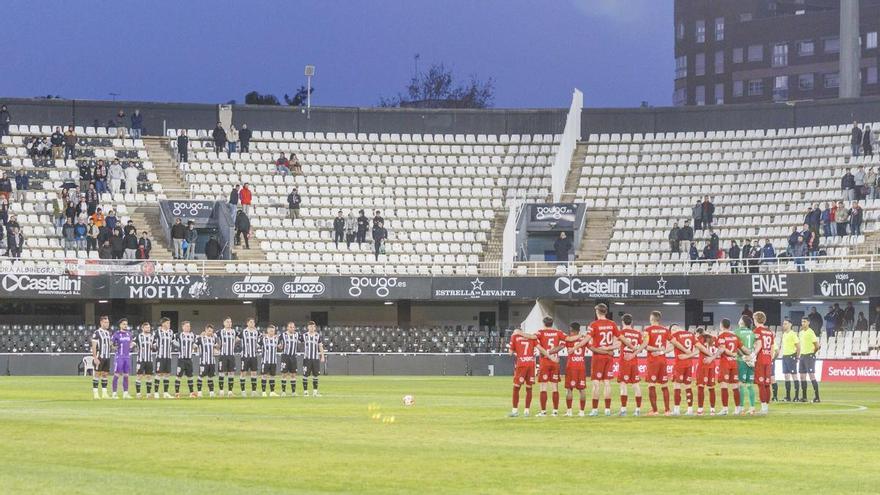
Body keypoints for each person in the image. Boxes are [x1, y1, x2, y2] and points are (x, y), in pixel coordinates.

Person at [587, 304, 624, 417]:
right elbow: (620, 342)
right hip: (609, 357)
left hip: (598, 357)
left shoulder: (594, 324)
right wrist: (609, 349)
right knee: (607, 383)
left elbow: (588, 342)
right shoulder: (612, 324)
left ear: (597, 311)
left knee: (596, 384)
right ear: (606, 312)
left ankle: (595, 410)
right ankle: (607, 410)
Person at [715, 318, 747, 415]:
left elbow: (723, 349)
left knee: (724, 385)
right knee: (735, 386)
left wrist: (732, 354)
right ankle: (737, 409)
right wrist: (750, 355)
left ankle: (725, 409)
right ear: (729, 326)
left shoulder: (721, 336)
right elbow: (742, 349)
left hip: (725, 363)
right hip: (734, 363)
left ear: (721, 325)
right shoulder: (734, 336)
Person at [643, 311, 671, 416]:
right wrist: (662, 351)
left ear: (652, 318)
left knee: (651, 384)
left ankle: (655, 411)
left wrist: (656, 349)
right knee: (664, 385)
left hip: (652, 360)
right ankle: (667, 410)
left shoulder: (647, 330)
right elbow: (673, 344)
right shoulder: (665, 330)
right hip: (662, 360)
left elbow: (646, 346)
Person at [508, 328, 541, 417]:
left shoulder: (514, 337)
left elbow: (510, 353)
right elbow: (538, 348)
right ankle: (526, 411)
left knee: (516, 387)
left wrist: (517, 351)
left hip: (521, 364)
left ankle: (515, 411)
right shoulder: (531, 338)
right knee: (529, 387)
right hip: (531, 364)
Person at [616, 313, 644, 416]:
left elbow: (617, 344)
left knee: (623, 385)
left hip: (624, 361)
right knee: (636, 385)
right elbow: (641, 347)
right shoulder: (637, 333)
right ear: (632, 322)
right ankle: (637, 410)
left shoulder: (621, 332)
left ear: (622, 322)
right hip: (634, 361)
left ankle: (623, 410)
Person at [560, 322, 589, 417]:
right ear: (579, 330)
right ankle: (582, 412)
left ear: (571, 329)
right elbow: (592, 347)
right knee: (582, 389)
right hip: (581, 366)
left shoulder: (569, 339)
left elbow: (560, 346)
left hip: (571, 366)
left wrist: (550, 352)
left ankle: (569, 411)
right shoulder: (584, 339)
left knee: (569, 389)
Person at [669, 324, 697, 416]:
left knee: (677, 386)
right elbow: (698, 350)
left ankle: (676, 410)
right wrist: (689, 355)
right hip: (689, 364)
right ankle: (690, 409)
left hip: (679, 363)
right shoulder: (691, 334)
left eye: (672, 329)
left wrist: (661, 352)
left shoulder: (674, 336)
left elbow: (670, 348)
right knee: (688, 386)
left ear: (674, 330)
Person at [752, 311, 775, 414]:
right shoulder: (769, 331)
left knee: (761, 384)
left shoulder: (757, 330)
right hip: (768, 359)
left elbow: (759, 344)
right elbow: (773, 347)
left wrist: (753, 355)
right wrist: (771, 358)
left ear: (756, 319)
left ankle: (763, 408)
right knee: (767, 384)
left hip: (760, 359)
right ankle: (766, 407)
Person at [734, 315, 757, 415]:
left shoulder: (737, 332)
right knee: (750, 384)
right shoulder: (752, 332)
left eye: (740, 319)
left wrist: (743, 356)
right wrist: (752, 356)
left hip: (741, 360)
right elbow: (754, 345)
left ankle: (741, 408)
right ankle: (752, 408)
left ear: (742, 322)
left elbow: (737, 347)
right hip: (751, 361)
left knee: (740, 384)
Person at [694, 329, 718, 416]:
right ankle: (712, 409)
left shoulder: (699, 338)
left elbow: (698, 349)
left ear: (698, 333)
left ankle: (700, 409)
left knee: (701, 386)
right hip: (712, 364)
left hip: (703, 364)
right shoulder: (713, 338)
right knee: (711, 387)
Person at [798, 318, 821, 403]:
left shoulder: (810, 332)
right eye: (802, 321)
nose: (803, 323)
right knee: (802, 376)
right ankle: (804, 397)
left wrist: (812, 353)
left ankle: (817, 397)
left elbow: (817, 345)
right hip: (802, 356)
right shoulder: (800, 333)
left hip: (809, 356)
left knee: (811, 376)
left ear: (808, 322)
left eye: (804, 322)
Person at [90, 316, 113, 400]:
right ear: (101, 323)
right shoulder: (97, 333)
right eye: (105, 322)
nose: (107, 324)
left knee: (105, 374)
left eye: (108, 322)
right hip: (100, 356)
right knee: (97, 374)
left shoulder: (108, 333)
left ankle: (104, 393)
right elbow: (94, 346)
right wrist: (95, 358)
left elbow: (109, 344)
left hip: (107, 356)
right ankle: (96, 393)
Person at [173, 321, 198, 399]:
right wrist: (178, 346)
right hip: (181, 359)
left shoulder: (192, 335)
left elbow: (195, 344)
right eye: (186, 326)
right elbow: (172, 340)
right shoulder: (178, 335)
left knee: (190, 376)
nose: (188, 327)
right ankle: (177, 393)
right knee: (178, 376)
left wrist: (194, 348)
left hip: (189, 359)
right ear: (182, 327)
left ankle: (191, 393)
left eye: (189, 326)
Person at [300, 321, 326, 397]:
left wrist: (322, 356)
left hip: (315, 359)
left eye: (313, 326)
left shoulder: (318, 336)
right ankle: (305, 392)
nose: (311, 328)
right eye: (310, 326)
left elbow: (320, 346)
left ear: (315, 327)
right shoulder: (304, 336)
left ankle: (315, 392)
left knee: (316, 375)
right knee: (305, 375)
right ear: (308, 327)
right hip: (307, 359)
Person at [110, 318, 133, 400]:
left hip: (127, 357)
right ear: (120, 325)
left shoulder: (129, 334)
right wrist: (114, 347)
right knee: (117, 374)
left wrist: (132, 345)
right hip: (119, 356)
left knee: (126, 375)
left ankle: (125, 393)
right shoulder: (116, 334)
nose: (125, 325)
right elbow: (111, 344)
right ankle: (114, 393)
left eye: (126, 324)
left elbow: (130, 344)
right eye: (124, 324)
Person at [152, 317, 175, 399]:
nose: (169, 325)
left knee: (167, 374)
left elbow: (173, 342)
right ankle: (156, 393)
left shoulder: (171, 332)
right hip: (160, 356)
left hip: (168, 356)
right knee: (159, 374)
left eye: (169, 323)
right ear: (163, 324)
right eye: (168, 323)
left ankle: (165, 393)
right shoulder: (157, 332)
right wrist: (155, 347)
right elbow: (153, 342)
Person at [217, 317, 239, 397]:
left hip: (231, 355)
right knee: (221, 373)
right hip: (223, 355)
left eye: (230, 322)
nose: (229, 323)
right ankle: (221, 391)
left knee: (231, 373)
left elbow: (238, 339)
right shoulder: (220, 332)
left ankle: (230, 392)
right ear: (224, 323)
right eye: (227, 322)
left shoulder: (234, 332)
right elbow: (213, 337)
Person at [239, 318, 261, 398]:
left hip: (253, 356)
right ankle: (243, 391)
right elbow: (236, 339)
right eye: (250, 322)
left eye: (253, 322)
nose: (252, 324)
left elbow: (262, 338)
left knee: (254, 373)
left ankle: (254, 391)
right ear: (247, 323)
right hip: (245, 356)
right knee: (243, 373)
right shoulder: (243, 332)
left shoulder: (256, 332)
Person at [133, 321, 154, 399]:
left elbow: (155, 346)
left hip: (149, 360)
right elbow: (132, 344)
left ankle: (148, 394)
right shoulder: (138, 336)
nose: (148, 329)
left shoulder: (152, 336)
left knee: (149, 377)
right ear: (142, 328)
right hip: (141, 359)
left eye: (149, 327)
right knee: (139, 376)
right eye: (146, 327)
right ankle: (138, 393)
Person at [195, 324, 217, 398]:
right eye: (209, 330)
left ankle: (211, 392)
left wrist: (216, 348)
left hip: (212, 361)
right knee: (201, 376)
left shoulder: (213, 339)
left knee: (210, 377)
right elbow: (194, 345)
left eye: (211, 331)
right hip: (203, 361)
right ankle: (199, 392)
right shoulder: (200, 339)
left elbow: (217, 347)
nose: (210, 332)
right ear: (205, 330)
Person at [780, 319, 799, 402]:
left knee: (794, 375)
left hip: (791, 356)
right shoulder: (784, 334)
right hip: (785, 356)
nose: (784, 325)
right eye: (783, 324)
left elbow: (798, 347)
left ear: (790, 324)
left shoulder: (793, 334)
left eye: (786, 324)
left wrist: (796, 357)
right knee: (786, 376)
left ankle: (796, 396)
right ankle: (788, 396)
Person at [279, 322, 300, 397]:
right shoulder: (283, 335)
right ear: (287, 328)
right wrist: (280, 346)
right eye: (290, 327)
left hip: (293, 356)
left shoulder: (297, 335)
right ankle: (283, 392)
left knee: (293, 374)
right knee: (284, 374)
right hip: (285, 356)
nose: (292, 328)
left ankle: (293, 392)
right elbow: (277, 342)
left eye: (293, 327)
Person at [260, 325, 280, 397]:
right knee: (264, 376)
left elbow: (279, 347)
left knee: (272, 376)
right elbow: (257, 345)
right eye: (271, 331)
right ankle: (263, 392)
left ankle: (272, 392)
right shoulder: (263, 339)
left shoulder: (276, 339)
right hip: (265, 361)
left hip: (273, 361)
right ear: (267, 331)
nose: (272, 332)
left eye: (273, 331)